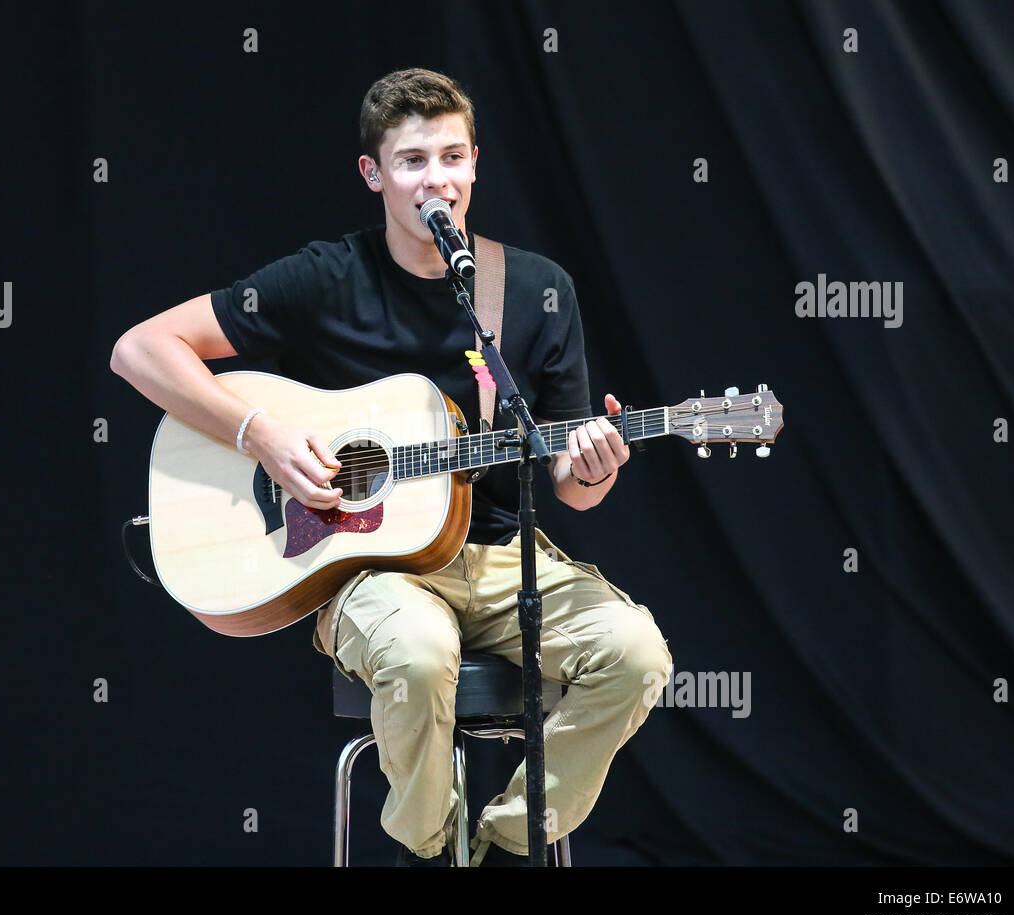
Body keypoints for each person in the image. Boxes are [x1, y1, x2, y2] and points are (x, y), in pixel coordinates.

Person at [110, 68, 672, 866]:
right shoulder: (326, 278)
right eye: (412, 161)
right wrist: (261, 434)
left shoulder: (538, 291)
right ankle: (428, 848)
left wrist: (597, 463)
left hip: (509, 562)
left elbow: (575, 493)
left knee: (637, 655)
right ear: (375, 174)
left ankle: (507, 843)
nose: (435, 179)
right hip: (375, 573)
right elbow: (139, 350)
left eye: (451, 157)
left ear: (475, 163)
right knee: (415, 652)